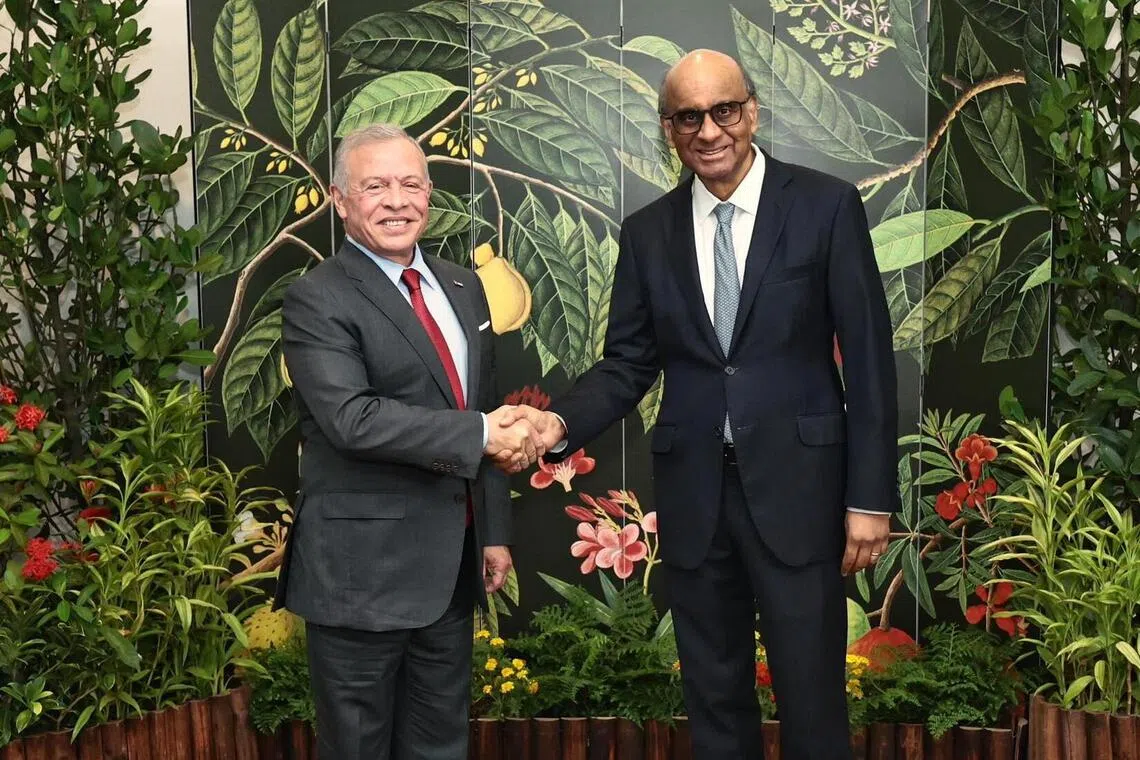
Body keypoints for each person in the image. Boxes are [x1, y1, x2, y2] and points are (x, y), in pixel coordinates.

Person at [506, 50, 899, 759]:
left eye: (725, 111)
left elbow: (868, 361)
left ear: (751, 112)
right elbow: (628, 365)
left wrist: (870, 498)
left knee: (812, 698)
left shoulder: (824, 205)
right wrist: (554, 422)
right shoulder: (648, 232)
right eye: (690, 117)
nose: (710, 130)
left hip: (800, 493)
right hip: (695, 495)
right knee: (714, 701)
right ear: (669, 129)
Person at [273, 124, 543, 760]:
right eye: (375, 186)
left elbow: (484, 408)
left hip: (449, 569)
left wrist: (494, 531)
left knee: (439, 745)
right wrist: (481, 431)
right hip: (359, 577)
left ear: (429, 193)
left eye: (410, 184)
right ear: (340, 200)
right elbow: (352, 419)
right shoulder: (317, 297)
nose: (396, 200)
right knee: (358, 747)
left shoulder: (463, 285)